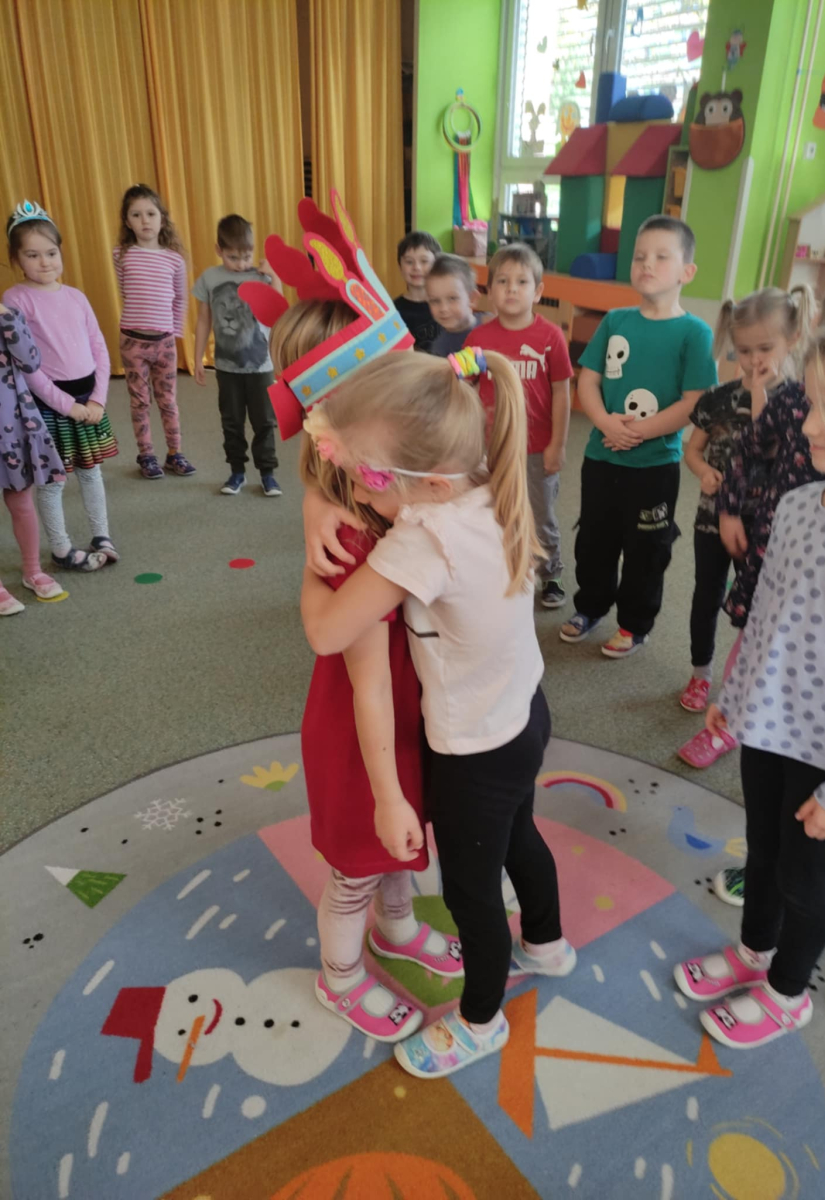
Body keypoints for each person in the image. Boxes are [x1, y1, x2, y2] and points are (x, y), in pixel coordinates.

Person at [301, 348, 575, 1080]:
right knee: (521, 838)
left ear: (429, 483)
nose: (362, 492)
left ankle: (481, 1021)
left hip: (473, 751)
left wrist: (314, 560)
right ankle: (546, 943)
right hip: (525, 715)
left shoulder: (423, 539)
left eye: (371, 479)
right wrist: (322, 500)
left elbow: (327, 632)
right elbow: (344, 449)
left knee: (471, 896)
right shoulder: (488, 482)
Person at [673, 309, 825, 1050]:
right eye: (809, 404)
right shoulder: (800, 504)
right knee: (763, 854)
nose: (807, 425)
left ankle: (786, 990)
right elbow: (765, 616)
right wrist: (733, 699)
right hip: (768, 727)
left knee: (806, 883)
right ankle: (753, 951)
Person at [266, 300, 461, 1043]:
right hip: (361, 734)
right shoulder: (353, 536)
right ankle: (340, 977)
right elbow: (366, 679)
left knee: (399, 847)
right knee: (359, 865)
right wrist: (385, 793)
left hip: (402, 716)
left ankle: (398, 926)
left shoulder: (391, 498)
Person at [561, 216, 717, 656]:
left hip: (654, 466)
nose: (647, 264)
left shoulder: (695, 332)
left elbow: (695, 401)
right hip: (601, 456)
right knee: (594, 540)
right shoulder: (615, 320)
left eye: (661, 257)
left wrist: (639, 432)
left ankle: (634, 623)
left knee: (647, 549)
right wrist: (605, 423)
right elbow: (588, 379)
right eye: (640, 256)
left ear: (687, 271)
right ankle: (590, 606)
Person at [676, 286, 814, 765]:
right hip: (716, 518)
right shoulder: (719, 399)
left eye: (765, 349)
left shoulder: (798, 401)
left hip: (768, 528)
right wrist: (704, 475)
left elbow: (767, 446)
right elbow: (699, 449)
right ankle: (701, 675)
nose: (754, 360)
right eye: (745, 350)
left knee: (755, 612)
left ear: (792, 339)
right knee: (708, 595)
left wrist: (759, 393)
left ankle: (741, 697)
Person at [5, 201, 118, 570]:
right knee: (52, 482)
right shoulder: (16, 299)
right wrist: (67, 405)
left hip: (89, 400)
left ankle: (102, 535)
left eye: (51, 253)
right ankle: (61, 548)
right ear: (17, 259)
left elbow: (99, 348)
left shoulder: (76, 297)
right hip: (50, 405)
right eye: (33, 255)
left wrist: (98, 399)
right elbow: (27, 367)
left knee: (91, 472)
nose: (45, 262)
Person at [465, 243, 572, 609]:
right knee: (496, 509)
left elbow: (562, 393)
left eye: (522, 282)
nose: (511, 288)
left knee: (539, 515)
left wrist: (558, 444)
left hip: (537, 447)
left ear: (538, 292)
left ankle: (551, 572)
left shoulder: (551, 337)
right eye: (502, 281)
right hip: (492, 446)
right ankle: (505, 566)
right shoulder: (478, 339)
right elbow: (464, 388)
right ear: (489, 291)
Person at [193, 214, 282, 497]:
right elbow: (204, 320)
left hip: (261, 366)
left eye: (246, 257)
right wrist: (197, 358)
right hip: (226, 367)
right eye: (233, 257)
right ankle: (237, 472)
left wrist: (274, 276)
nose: (242, 264)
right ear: (219, 250)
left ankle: (268, 474)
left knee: (264, 421)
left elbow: (277, 309)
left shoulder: (260, 276)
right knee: (231, 421)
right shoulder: (210, 278)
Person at [114, 184, 194, 479]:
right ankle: (146, 455)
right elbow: (126, 291)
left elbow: (180, 299)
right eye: (136, 215)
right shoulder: (121, 254)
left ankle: (175, 453)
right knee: (139, 401)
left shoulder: (174, 259)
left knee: (168, 400)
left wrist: (172, 333)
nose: (144, 220)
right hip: (133, 342)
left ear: (162, 218)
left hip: (164, 343)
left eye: (150, 213)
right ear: (127, 221)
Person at [0, 301, 67, 611]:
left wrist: (7, 319)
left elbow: (30, 361)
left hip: (12, 424)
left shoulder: (10, 316)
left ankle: (32, 570)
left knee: (21, 501)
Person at [426, 253, 485, 356]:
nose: (443, 308)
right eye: (435, 301)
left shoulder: (492, 324)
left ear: (472, 299)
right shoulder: (440, 350)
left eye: (452, 298)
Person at [393, 231, 441, 352]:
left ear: (436, 266)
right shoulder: (393, 311)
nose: (416, 267)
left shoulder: (445, 305)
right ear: (400, 267)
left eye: (424, 261)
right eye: (409, 262)